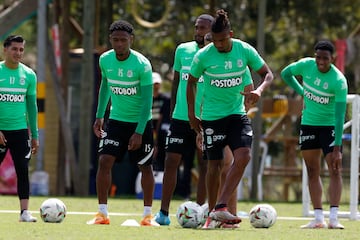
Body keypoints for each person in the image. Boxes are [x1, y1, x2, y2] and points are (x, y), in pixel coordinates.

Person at [187, 9, 273, 225]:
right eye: (215, 41)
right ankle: (212, 215)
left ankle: (220, 206)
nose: (219, 45)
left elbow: (268, 74)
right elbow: (190, 83)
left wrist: (259, 91)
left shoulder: (244, 50)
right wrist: (192, 114)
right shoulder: (204, 56)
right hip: (212, 117)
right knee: (213, 166)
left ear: (231, 35)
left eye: (223, 40)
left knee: (244, 156)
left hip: (236, 114)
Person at [87, 20, 158, 226]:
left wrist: (139, 131)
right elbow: (105, 86)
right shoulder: (105, 60)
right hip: (116, 121)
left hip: (140, 122)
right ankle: (102, 214)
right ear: (110, 40)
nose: (119, 44)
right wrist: (100, 116)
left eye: (123, 40)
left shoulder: (142, 64)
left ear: (131, 40)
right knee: (104, 162)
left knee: (145, 167)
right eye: (115, 40)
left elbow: (147, 103)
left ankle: (147, 216)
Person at [154, 14, 214, 226]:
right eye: (197, 27)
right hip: (180, 118)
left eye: (204, 28)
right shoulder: (182, 50)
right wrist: (171, 113)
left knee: (205, 164)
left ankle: (199, 211)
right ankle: (162, 213)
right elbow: (177, 82)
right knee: (171, 162)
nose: (199, 32)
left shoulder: (216, 54)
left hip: (206, 119)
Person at [280, 40, 348, 229]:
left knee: (334, 169)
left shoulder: (339, 81)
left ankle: (334, 217)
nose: (320, 61)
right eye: (318, 57)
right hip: (308, 124)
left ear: (332, 58)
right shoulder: (306, 65)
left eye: (325, 58)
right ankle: (318, 218)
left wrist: (337, 147)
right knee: (312, 170)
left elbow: (340, 115)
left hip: (329, 127)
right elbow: (285, 73)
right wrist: (302, 91)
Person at [0, 35, 39, 222]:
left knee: (23, 170)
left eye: (21, 50)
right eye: (14, 49)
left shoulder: (29, 75)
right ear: (5, 49)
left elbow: (32, 107)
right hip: (0, 130)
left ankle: (24, 213)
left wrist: (35, 135)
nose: (18, 53)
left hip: (20, 131)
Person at [151, 72, 170, 171]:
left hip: (160, 132)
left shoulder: (166, 99)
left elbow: (162, 118)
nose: (155, 86)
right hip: (148, 128)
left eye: (157, 83)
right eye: (154, 83)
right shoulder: (146, 99)